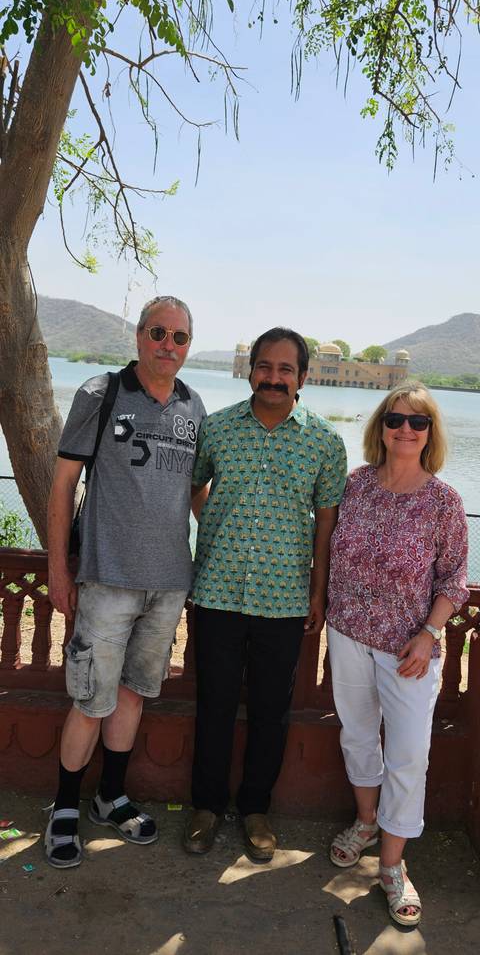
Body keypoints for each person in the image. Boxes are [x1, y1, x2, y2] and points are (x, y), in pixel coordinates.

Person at [45, 295, 206, 868]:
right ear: (139, 336)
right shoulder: (100, 392)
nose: (169, 344)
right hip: (107, 578)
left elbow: (193, 491)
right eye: (158, 332)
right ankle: (64, 807)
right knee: (92, 698)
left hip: (167, 584)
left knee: (135, 694)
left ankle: (109, 796)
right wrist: (59, 568)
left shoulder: (194, 406)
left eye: (180, 337)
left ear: (189, 345)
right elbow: (63, 483)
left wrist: (222, 540)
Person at [183, 327, 347, 861]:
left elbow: (327, 524)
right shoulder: (217, 428)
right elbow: (193, 485)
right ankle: (205, 808)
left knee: (271, 712)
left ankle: (256, 810)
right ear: (250, 369)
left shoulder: (324, 441)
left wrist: (318, 592)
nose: (273, 378)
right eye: (265, 367)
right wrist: (218, 528)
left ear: (303, 376)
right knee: (214, 704)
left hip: (285, 600)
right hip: (218, 593)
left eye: (285, 370)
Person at [326, 382, 468, 926]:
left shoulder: (444, 502)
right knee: (357, 734)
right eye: (395, 419)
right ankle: (366, 821)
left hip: (409, 649)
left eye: (417, 422)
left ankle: (391, 865)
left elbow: (455, 578)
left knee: (409, 756)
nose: (405, 429)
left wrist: (430, 633)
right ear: (380, 427)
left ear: (430, 432)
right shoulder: (356, 486)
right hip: (348, 634)